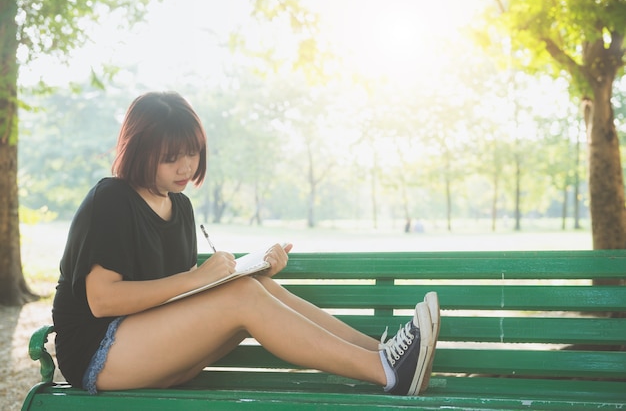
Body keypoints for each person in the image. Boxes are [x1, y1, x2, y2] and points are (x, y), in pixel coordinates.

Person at [52, 91, 440, 397]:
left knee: (252, 287)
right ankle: (387, 372)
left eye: (192, 153)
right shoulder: (112, 199)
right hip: (97, 353)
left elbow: (173, 299)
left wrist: (251, 270)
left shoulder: (180, 207)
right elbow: (102, 300)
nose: (186, 167)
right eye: (171, 158)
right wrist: (196, 279)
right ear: (139, 151)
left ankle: (382, 354)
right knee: (242, 296)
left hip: (147, 346)